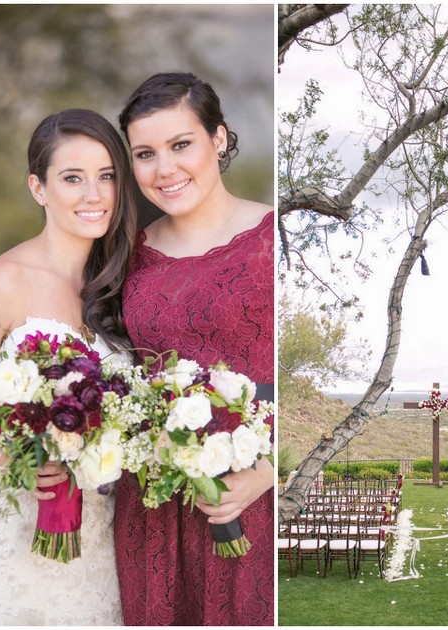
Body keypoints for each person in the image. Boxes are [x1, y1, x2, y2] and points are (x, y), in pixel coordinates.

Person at [110, 72, 275, 626]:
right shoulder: (122, 254)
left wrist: (270, 471)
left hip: (250, 494)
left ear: (220, 140)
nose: (165, 170)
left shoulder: (273, 239)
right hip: (154, 502)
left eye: (181, 145)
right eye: (145, 154)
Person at [0, 109, 136, 625]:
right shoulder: (2, 282)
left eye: (106, 176)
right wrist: (21, 450)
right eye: (73, 178)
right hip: (25, 525)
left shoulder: (126, 284)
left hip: (108, 534)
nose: (94, 195)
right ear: (38, 187)